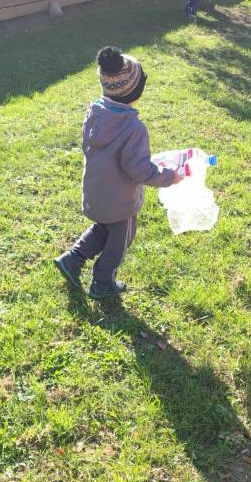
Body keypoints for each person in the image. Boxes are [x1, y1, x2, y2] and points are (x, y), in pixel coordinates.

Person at [54, 46, 182, 299]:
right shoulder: (133, 128)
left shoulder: (95, 113)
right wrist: (170, 176)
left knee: (104, 228)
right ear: (134, 91)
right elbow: (140, 170)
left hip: (96, 192)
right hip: (120, 201)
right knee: (120, 240)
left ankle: (73, 258)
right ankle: (102, 282)